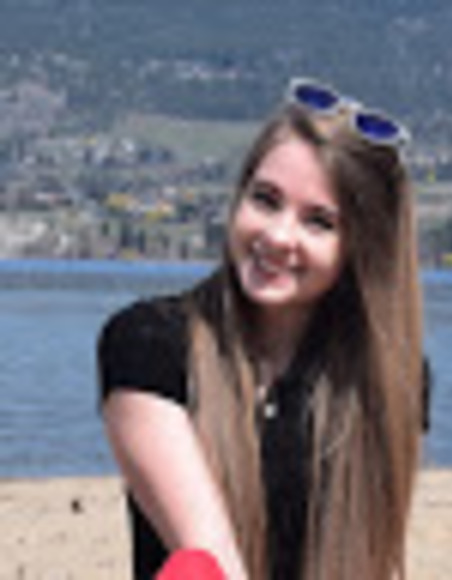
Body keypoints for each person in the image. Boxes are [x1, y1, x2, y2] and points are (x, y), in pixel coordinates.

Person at [98, 78, 430, 580]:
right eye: (266, 200)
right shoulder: (149, 347)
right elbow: (209, 558)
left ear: (361, 251)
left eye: (318, 222)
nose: (277, 236)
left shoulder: (393, 380)